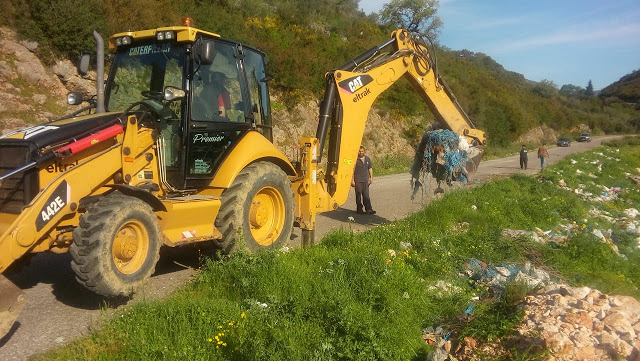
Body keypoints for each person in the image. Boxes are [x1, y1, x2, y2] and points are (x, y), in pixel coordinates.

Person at [351, 146, 376, 215]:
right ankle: (359, 209)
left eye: (362, 151)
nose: (361, 152)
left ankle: (369, 209)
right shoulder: (355, 159)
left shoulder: (367, 159)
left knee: (366, 196)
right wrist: (352, 181)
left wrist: (371, 177)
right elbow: (352, 171)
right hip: (358, 181)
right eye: (359, 151)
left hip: (365, 180)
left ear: (364, 151)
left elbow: (370, 168)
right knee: (358, 196)